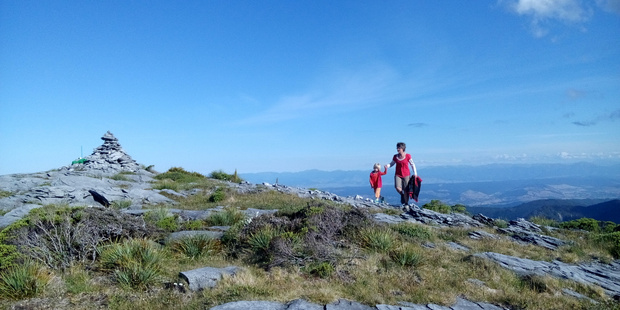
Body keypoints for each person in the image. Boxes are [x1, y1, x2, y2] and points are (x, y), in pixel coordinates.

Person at [385, 142, 417, 209]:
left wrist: (415, 173)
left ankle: (406, 203)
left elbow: (412, 164)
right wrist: (387, 166)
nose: (397, 149)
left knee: (406, 190)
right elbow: (392, 163)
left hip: (406, 175)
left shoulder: (408, 156)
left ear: (403, 148)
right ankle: (402, 195)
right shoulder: (395, 156)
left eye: (399, 148)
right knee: (397, 187)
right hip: (398, 174)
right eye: (397, 148)